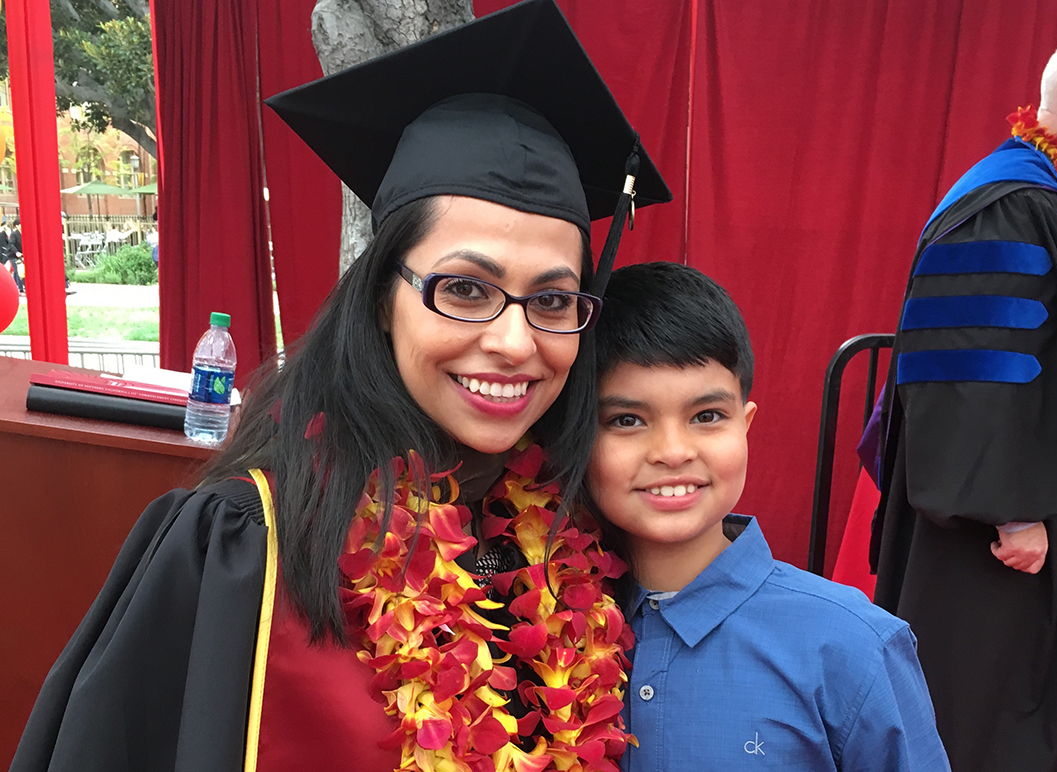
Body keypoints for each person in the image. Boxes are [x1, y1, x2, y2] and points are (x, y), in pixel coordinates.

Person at [10, 2, 670, 771]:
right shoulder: (245, 543)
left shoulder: (572, 548)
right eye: (463, 290)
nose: (515, 342)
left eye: (552, 301)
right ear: (381, 298)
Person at [585, 262, 951, 771]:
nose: (672, 451)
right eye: (626, 420)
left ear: (746, 423)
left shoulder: (853, 646)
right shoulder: (548, 625)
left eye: (706, 416)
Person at [872, 34, 1057, 772]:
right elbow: (971, 367)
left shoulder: (1045, 191)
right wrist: (1014, 509)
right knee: (980, 716)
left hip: (1033, 506)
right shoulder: (1011, 207)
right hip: (997, 533)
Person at [7, 217, 24, 294]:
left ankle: (15, 287)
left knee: (20, 271)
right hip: (13, 255)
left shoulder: (23, 233)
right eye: (20, 224)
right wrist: (16, 252)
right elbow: (11, 244)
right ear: (16, 226)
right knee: (18, 270)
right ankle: (19, 288)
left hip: (21, 255)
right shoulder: (14, 234)